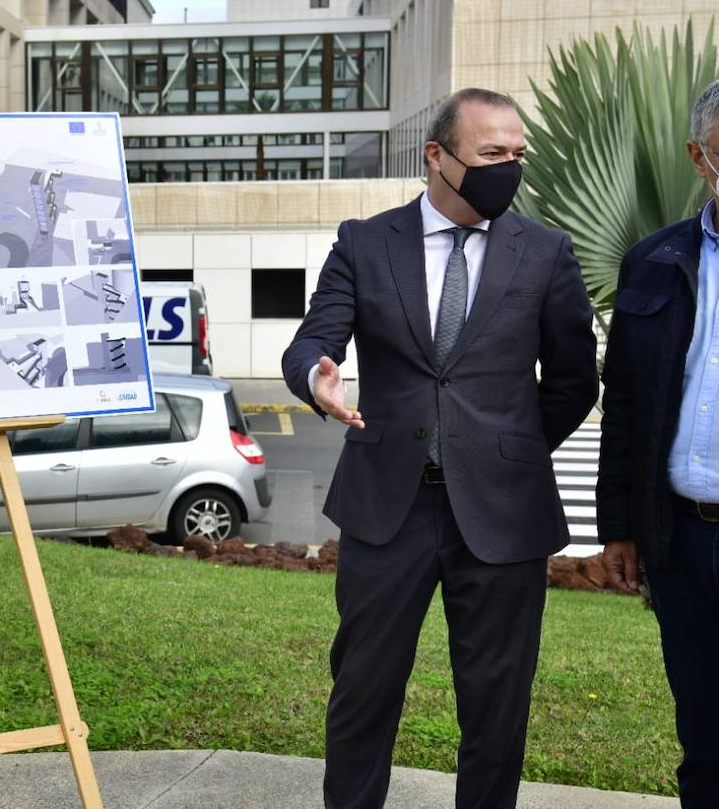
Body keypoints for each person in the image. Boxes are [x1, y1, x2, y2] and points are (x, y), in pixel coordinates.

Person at [281, 88, 598, 809]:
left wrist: (503, 450)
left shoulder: (546, 252)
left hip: (503, 513)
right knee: (363, 690)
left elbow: (575, 381)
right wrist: (316, 381)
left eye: (519, 154)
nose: (509, 167)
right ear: (437, 156)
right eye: (492, 154)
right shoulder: (365, 242)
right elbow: (312, 343)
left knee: (496, 704)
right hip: (386, 508)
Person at [597, 79, 719, 807]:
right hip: (684, 543)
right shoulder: (654, 260)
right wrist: (619, 527)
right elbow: (627, 406)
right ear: (700, 156)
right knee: (703, 741)